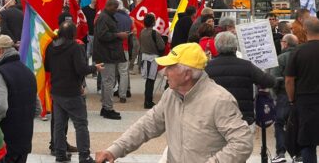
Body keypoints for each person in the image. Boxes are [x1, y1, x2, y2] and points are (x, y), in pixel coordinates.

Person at [95, 42, 253, 163]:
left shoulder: (219, 100)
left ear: (187, 74)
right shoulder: (171, 94)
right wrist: (114, 150)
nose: (164, 72)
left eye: (170, 67)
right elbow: (146, 126)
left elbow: (242, 143)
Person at [45, 21, 103, 163]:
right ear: (73, 34)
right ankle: (84, 156)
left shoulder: (50, 47)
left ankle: (60, 154)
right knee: (81, 124)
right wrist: (95, 67)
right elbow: (81, 69)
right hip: (72, 92)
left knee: (59, 124)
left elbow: (47, 67)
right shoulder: (75, 47)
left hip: (56, 91)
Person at [0, 35, 37, 163]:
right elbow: (37, 107)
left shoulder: (0, 73)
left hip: (4, 142)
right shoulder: (27, 71)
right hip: (24, 140)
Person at [205, 31, 275, 126]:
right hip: (242, 118)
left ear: (217, 47)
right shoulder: (247, 66)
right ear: (235, 47)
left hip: (216, 118)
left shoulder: (207, 67)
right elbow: (269, 81)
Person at [285, 17, 319, 163]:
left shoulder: (298, 51)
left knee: (307, 141)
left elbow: (289, 80)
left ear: (305, 30)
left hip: (306, 101)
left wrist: (292, 100)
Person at [93, 0, 128, 120]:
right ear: (108, 6)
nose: (116, 10)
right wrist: (118, 35)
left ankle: (105, 107)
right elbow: (102, 35)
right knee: (109, 82)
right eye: (114, 7)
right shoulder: (104, 18)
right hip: (105, 54)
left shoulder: (105, 16)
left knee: (105, 81)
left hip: (106, 53)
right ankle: (108, 108)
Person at [269, 34, 298, 163]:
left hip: (283, 95)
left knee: (280, 123)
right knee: (297, 124)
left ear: (285, 43)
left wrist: (274, 95)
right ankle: (298, 154)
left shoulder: (280, 59)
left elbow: (274, 80)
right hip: (300, 96)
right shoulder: (301, 57)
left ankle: (281, 153)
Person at [139, 13, 165, 109]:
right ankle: (148, 101)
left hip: (144, 57)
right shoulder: (155, 33)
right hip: (153, 58)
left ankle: (147, 100)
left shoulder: (142, 32)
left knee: (148, 80)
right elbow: (161, 46)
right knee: (151, 80)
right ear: (153, 22)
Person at [114, 1, 132, 103]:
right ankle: (123, 95)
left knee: (112, 72)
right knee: (124, 72)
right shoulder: (128, 18)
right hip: (124, 47)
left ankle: (110, 93)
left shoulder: (112, 17)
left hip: (113, 47)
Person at [82, 0, 97, 76]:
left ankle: (94, 71)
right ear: (92, 1)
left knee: (95, 53)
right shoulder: (85, 9)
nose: (95, 3)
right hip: (88, 34)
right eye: (94, 2)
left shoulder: (98, 10)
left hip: (96, 34)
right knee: (87, 54)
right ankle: (86, 70)